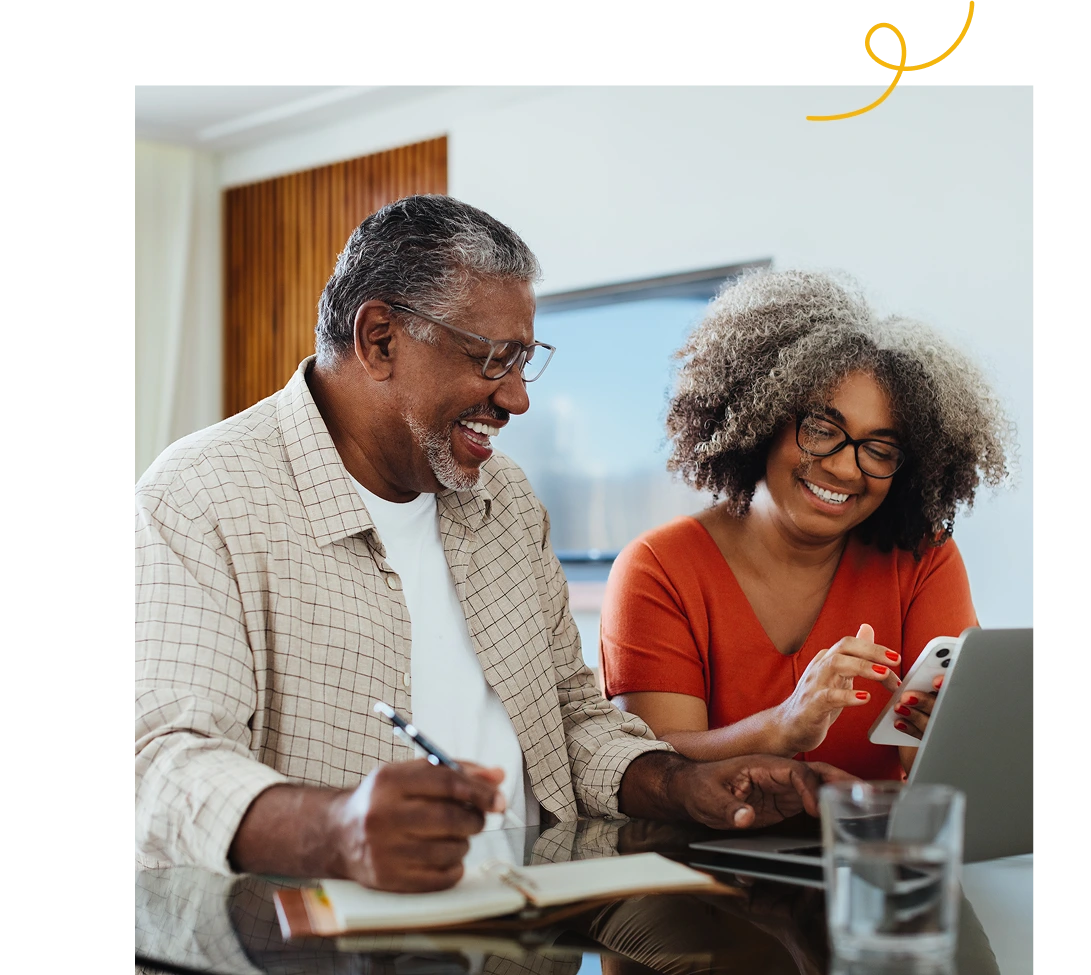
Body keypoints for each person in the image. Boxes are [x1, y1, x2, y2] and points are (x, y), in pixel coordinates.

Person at [133, 197, 849, 895]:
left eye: (524, 361)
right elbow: (163, 763)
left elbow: (571, 718)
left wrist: (679, 784)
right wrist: (337, 828)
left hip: (523, 933)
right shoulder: (204, 495)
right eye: (492, 360)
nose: (516, 399)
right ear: (379, 338)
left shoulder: (504, 499)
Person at [599, 268, 1013, 781]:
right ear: (762, 419)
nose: (844, 467)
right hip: (698, 858)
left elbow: (940, 774)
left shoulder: (922, 559)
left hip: (870, 852)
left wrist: (948, 740)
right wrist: (783, 726)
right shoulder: (660, 568)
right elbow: (649, 772)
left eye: (880, 450)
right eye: (822, 429)